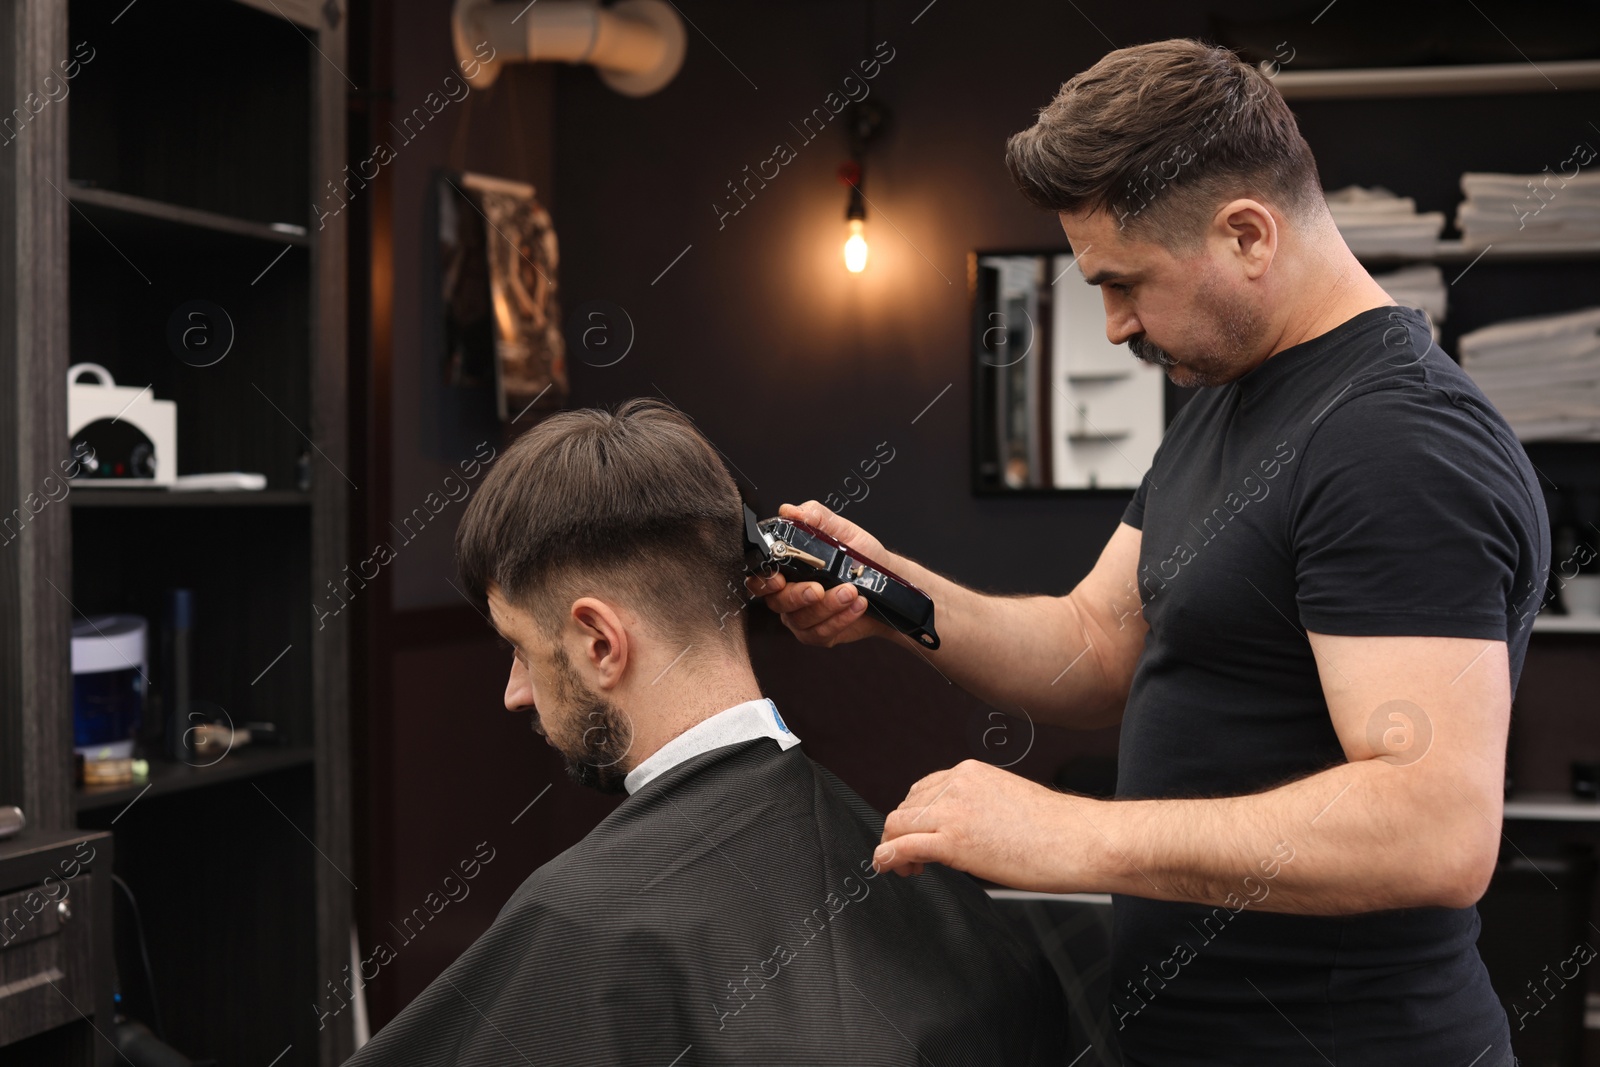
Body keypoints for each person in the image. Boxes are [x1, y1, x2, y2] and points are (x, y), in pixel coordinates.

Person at [753, 38, 1546, 1067]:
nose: (1115, 324)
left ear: (1248, 234)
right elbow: (1093, 642)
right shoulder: (1232, 397)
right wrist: (892, 592)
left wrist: (1072, 835)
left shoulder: (1393, 443)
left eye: (1125, 282)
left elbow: (1434, 824)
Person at [342, 399, 1066, 1067]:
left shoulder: (579, 920)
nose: (514, 692)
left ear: (599, 641)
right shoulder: (944, 899)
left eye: (520, 648)